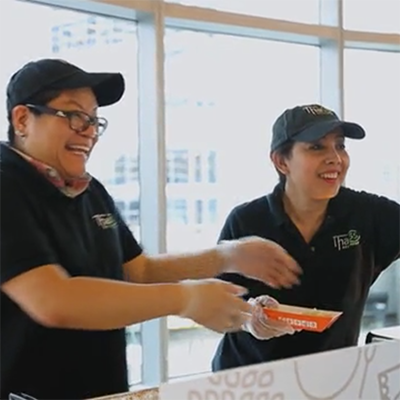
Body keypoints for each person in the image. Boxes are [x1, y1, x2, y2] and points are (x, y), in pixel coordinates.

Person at [0, 59, 302, 400]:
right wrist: (185, 299)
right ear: (22, 119)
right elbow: (52, 298)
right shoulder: (7, 184)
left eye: (94, 120)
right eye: (72, 115)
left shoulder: (88, 190)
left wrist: (228, 257)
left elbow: (138, 270)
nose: (88, 131)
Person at [212, 103, 400, 372]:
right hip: (252, 380)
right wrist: (249, 318)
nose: (335, 157)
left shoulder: (368, 215)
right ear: (281, 161)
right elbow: (217, 305)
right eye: (316, 147)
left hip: (335, 379)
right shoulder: (247, 221)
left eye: (340, 145)